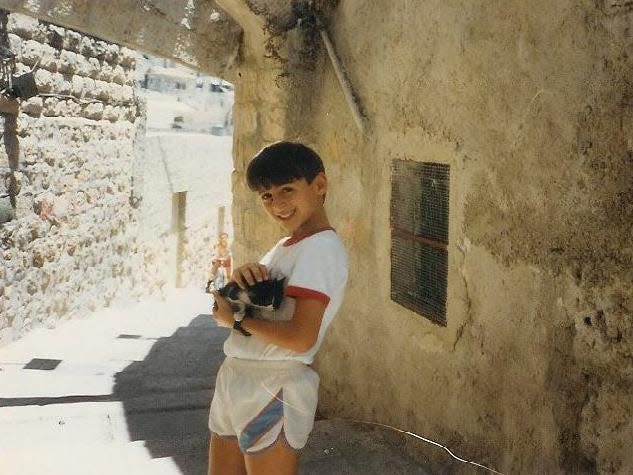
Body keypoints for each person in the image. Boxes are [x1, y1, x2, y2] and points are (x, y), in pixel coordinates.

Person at [208, 141, 349, 475]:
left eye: (288, 189)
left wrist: (238, 319)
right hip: (238, 376)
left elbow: (301, 338)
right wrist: (240, 282)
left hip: (274, 385)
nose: (278, 204)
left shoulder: (322, 248)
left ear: (320, 186)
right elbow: (220, 312)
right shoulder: (285, 246)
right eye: (267, 196)